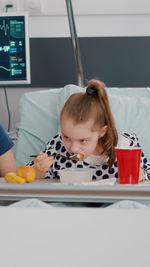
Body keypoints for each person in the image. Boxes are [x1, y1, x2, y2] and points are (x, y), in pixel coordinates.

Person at [29, 79, 150, 181]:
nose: (73, 148)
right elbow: (31, 177)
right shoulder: (57, 144)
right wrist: (38, 170)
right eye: (67, 137)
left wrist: (142, 175)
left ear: (102, 132)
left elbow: (147, 173)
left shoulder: (126, 146)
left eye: (82, 140)